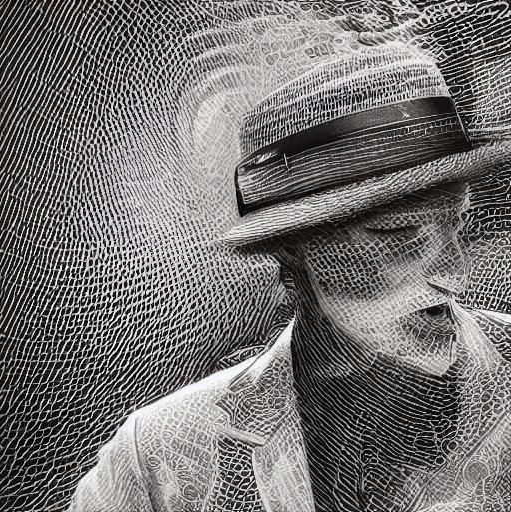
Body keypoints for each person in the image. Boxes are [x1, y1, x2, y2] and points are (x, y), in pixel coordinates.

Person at [70, 43, 511, 512]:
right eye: (397, 233)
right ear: (292, 247)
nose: (455, 272)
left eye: (457, 223)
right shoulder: (160, 456)